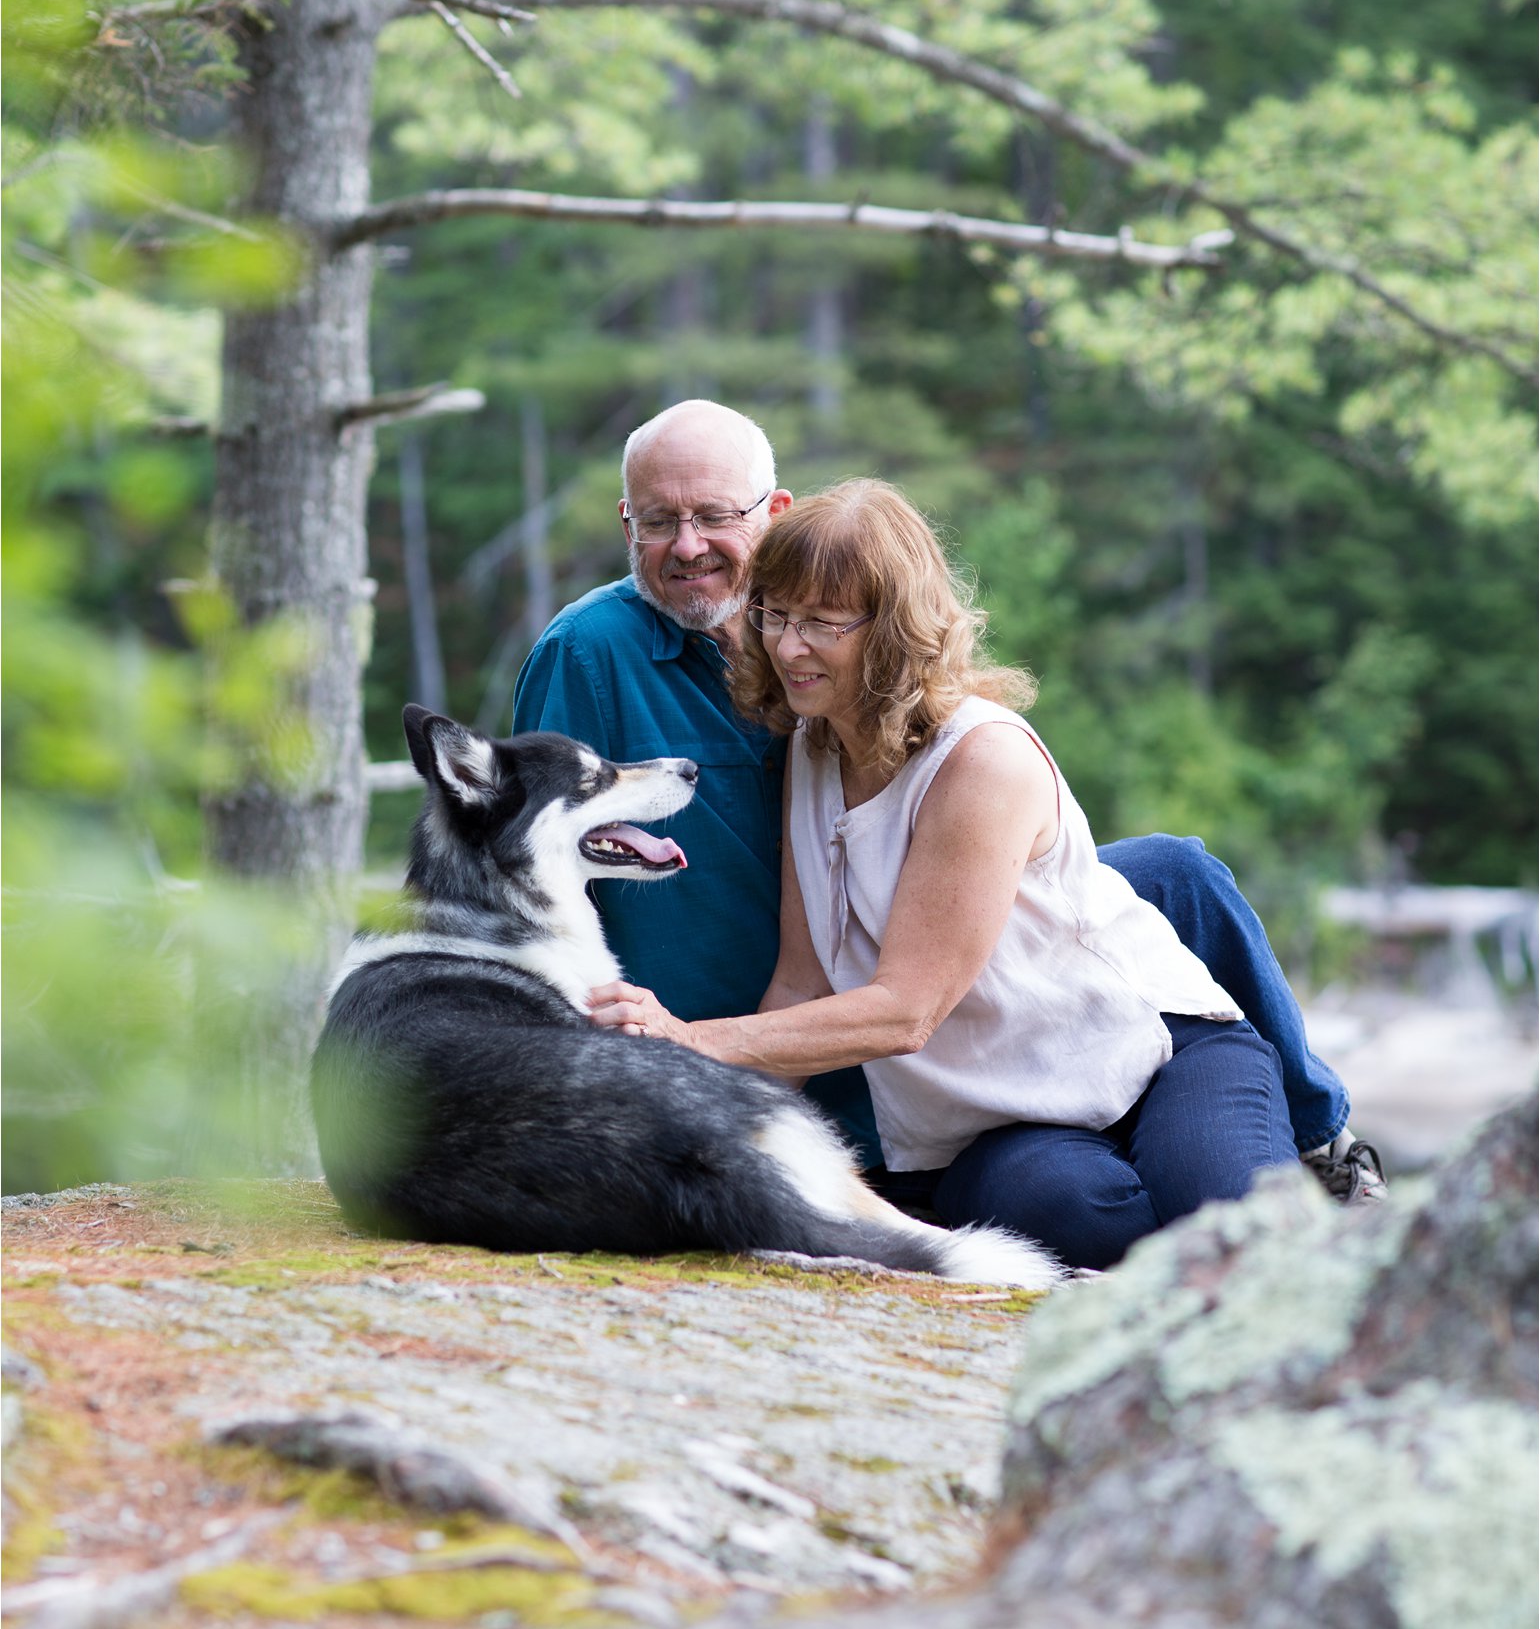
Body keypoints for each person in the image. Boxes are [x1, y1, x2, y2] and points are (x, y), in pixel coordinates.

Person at [513, 401, 1382, 1204]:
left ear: (772, 514)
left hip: (898, 982)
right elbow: (526, 878)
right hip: (803, 1052)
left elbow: (914, 973)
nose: (687, 544)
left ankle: (1315, 1136)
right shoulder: (592, 656)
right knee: (1067, 1196)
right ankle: (1180, 1171)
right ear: (626, 526)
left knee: (1175, 872)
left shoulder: (855, 678)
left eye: (713, 516)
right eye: (658, 521)